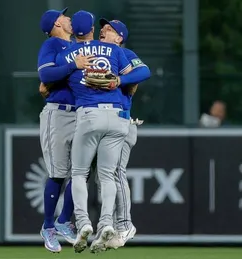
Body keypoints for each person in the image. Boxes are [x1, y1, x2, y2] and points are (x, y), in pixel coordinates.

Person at [55, 10, 132, 254]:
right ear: (91, 29)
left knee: (78, 173)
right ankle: (107, 222)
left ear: (72, 31)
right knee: (108, 176)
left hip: (89, 115)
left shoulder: (68, 53)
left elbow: (50, 78)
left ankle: (83, 222)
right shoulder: (115, 50)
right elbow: (137, 75)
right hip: (118, 117)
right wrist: (119, 82)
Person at [37, 7, 94, 253]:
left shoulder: (77, 46)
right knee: (58, 173)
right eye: (64, 16)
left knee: (80, 172)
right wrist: (73, 64)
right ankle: (48, 226)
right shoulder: (52, 45)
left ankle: (63, 221)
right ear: (56, 24)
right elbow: (45, 73)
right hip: (58, 112)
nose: (68, 17)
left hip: (81, 113)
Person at [96, 18, 151, 249]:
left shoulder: (123, 53)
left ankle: (125, 224)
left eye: (109, 30)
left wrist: (120, 80)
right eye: (102, 28)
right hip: (102, 122)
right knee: (103, 178)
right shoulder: (98, 55)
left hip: (122, 122)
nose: (103, 31)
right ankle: (108, 226)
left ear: (119, 38)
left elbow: (144, 71)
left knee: (116, 172)